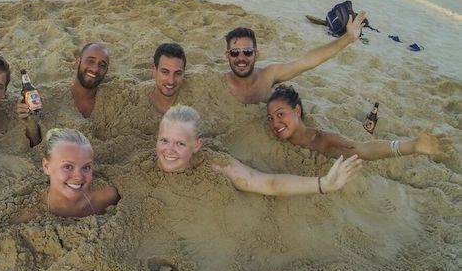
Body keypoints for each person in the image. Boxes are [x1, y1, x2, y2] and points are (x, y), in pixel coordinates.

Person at [157, 105, 363, 196]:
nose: (169, 150)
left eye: (180, 143)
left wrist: (324, 184)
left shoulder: (216, 163)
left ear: (197, 146)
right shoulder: (137, 167)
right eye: (164, 140)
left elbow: (269, 183)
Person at [266, 85, 450, 161]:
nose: (275, 122)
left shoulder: (323, 140)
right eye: (271, 118)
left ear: (297, 111)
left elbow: (364, 149)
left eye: (280, 114)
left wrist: (411, 146)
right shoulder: (271, 139)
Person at [223, 12, 366, 104]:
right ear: (227, 55)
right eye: (235, 52)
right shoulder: (219, 82)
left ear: (256, 54)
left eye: (247, 51)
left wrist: (347, 39)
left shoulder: (268, 76)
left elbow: (307, 61)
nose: (241, 58)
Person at [41, 128, 120, 217]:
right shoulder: (33, 213)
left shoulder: (107, 198)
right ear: (46, 166)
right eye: (68, 167)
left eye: (86, 167)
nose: (78, 177)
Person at [71, 43, 110, 118]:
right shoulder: (53, 99)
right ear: (78, 62)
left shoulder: (112, 103)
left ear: (106, 72)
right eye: (90, 61)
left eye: (102, 65)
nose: (95, 69)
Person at [149, 43, 186, 114]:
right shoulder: (134, 105)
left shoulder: (196, 104)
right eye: (165, 72)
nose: (171, 81)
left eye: (178, 73)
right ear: (154, 71)